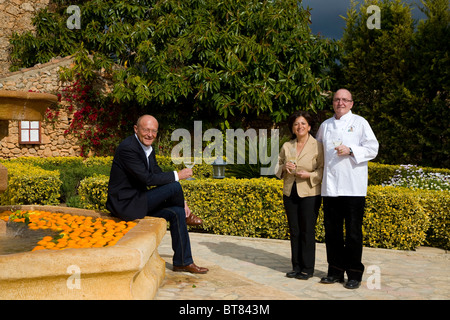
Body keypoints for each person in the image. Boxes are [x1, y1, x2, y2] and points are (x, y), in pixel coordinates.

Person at [106, 114, 208, 274]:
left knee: (177, 212)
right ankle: (189, 217)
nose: (150, 134)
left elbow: (157, 173)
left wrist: (183, 202)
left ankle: (183, 262)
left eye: (154, 131)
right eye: (146, 130)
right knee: (174, 186)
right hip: (126, 205)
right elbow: (147, 179)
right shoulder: (128, 148)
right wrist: (178, 175)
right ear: (136, 129)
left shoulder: (148, 148)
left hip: (139, 201)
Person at [316, 89, 378, 289]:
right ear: (332, 103)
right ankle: (334, 270)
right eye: (336, 99)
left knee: (352, 233)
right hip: (331, 188)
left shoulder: (360, 123)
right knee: (332, 232)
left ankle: (354, 273)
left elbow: (373, 148)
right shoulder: (325, 125)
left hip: (353, 188)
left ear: (351, 103)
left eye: (344, 100)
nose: (340, 103)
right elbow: (316, 151)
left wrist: (351, 150)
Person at [275, 111, 324, 280]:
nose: (300, 126)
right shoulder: (287, 146)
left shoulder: (318, 146)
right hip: (290, 191)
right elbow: (277, 166)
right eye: (296, 124)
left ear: (309, 127)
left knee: (307, 231)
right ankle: (296, 266)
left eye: (303, 123)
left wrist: (309, 176)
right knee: (294, 231)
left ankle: (307, 269)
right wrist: (283, 168)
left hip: (310, 192)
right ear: (292, 128)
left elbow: (322, 170)